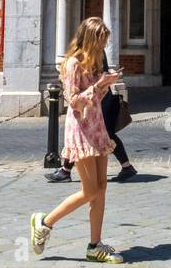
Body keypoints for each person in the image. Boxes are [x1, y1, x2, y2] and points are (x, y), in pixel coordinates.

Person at [30, 17, 125, 263]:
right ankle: (44, 223)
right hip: (81, 129)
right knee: (89, 190)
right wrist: (98, 86)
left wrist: (106, 84)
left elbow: (93, 98)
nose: (103, 46)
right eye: (101, 41)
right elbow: (73, 101)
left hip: (97, 126)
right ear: (91, 40)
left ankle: (95, 246)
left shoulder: (94, 64)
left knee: (101, 190)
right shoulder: (72, 64)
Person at [45, 53, 137, 184]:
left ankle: (66, 171)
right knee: (102, 135)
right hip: (97, 98)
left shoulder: (90, 53)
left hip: (99, 99)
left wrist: (105, 81)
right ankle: (126, 166)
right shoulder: (92, 52)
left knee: (99, 135)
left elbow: (95, 79)